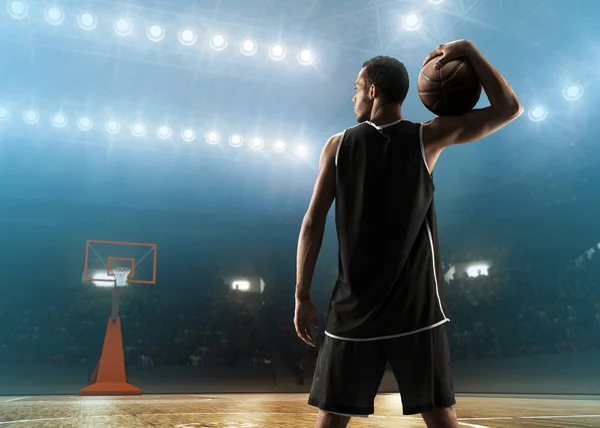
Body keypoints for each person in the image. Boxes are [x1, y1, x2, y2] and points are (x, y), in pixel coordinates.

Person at [293, 39, 523, 428]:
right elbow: (508, 108)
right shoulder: (428, 138)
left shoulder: (338, 146)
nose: (352, 98)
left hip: (357, 308)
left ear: (372, 90)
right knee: (438, 416)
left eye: (355, 88)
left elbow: (312, 224)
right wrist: (468, 50)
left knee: (331, 418)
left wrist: (301, 294)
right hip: (415, 308)